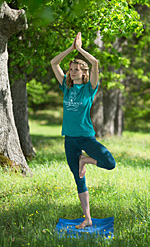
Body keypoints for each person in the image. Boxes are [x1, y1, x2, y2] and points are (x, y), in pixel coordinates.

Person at [50, 32, 116, 229]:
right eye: (70, 69)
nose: (72, 72)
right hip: (69, 139)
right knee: (79, 179)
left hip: (86, 138)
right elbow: (54, 63)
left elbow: (95, 63)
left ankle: (85, 159)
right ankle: (87, 218)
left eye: (76, 70)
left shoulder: (89, 88)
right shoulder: (66, 87)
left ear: (84, 73)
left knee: (109, 162)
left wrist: (80, 50)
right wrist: (70, 50)